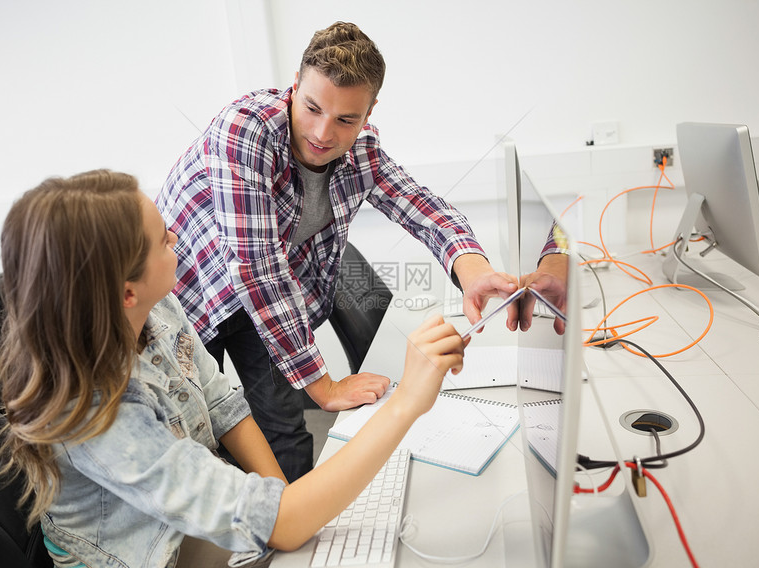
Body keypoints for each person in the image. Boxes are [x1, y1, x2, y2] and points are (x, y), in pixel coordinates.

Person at [0, 170, 466, 568]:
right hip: (153, 557)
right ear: (124, 294)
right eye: (163, 239)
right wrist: (405, 404)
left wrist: (282, 500)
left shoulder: (157, 310)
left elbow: (223, 405)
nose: (176, 237)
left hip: (182, 513)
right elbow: (280, 525)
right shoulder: (95, 416)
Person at [155, 21, 524, 481]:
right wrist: (325, 386)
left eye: (346, 119)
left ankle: (287, 540)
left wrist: (473, 269)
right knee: (192, 432)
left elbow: (422, 207)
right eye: (311, 108)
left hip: (267, 303)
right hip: (194, 289)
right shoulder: (244, 131)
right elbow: (256, 269)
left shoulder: (361, 150)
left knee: (283, 427)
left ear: (368, 114)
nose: (323, 133)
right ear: (294, 87)